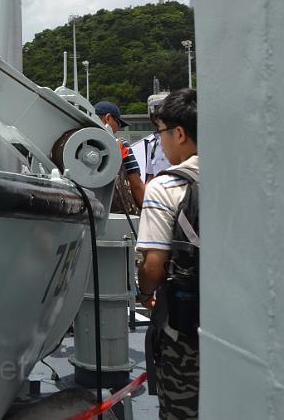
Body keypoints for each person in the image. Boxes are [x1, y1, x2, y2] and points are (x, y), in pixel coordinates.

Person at [136, 88, 199, 419]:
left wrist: (145, 293)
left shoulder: (166, 187)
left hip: (187, 331)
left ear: (179, 133)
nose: (160, 141)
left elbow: (154, 264)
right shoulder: (242, 176)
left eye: (161, 132)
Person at [94, 100, 145, 211]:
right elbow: (136, 184)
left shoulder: (79, 146)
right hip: (116, 212)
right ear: (107, 118)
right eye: (118, 123)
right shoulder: (120, 145)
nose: (118, 128)